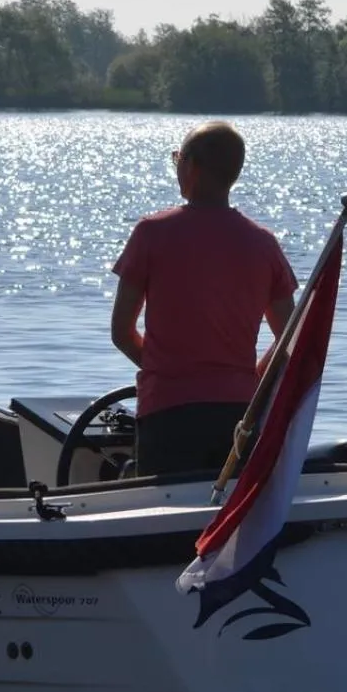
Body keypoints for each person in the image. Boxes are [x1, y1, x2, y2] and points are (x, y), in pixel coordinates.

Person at [110, 121, 297, 477]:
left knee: (164, 505)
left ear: (192, 166)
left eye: (178, 159)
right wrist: (252, 377)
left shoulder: (151, 233)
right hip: (238, 414)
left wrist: (167, 371)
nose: (176, 167)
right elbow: (291, 337)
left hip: (167, 412)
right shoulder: (263, 243)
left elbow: (121, 332)